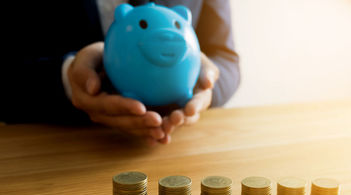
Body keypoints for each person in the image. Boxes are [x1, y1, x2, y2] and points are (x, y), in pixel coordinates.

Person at [2, 0, 240, 145]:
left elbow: (226, 59)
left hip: (186, 145)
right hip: (57, 144)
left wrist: (205, 87)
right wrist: (67, 76)